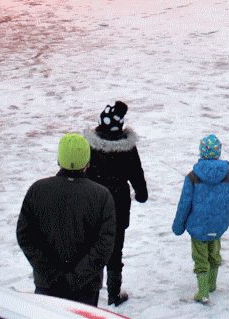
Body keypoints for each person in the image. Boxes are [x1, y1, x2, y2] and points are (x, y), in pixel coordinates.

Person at [17, 133, 117, 306]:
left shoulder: (37, 190)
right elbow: (104, 245)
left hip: (47, 285)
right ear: (87, 163)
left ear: (59, 159)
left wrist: (51, 275)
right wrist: (75, 279)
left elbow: (25, 236)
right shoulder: (101, 196)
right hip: (85, 287)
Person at [84, 102, 149, 306]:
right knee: (115, 249)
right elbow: (136, 173)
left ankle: (90, 290)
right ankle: (114, 294)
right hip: (118, 205)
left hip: (94, 202)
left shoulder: (90, 145)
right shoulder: (127, 149)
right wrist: (141, 193)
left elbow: (82, 170)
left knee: (93, 246)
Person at [171, 134, 229, 304]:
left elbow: (184, 204)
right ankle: (211, 283)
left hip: (197, 225)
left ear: (201, 152)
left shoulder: (193, 176)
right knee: (214, 251)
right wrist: (224, 215)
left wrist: (179, 225)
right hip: (218, 223)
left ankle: (202, 292)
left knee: (200, 257)